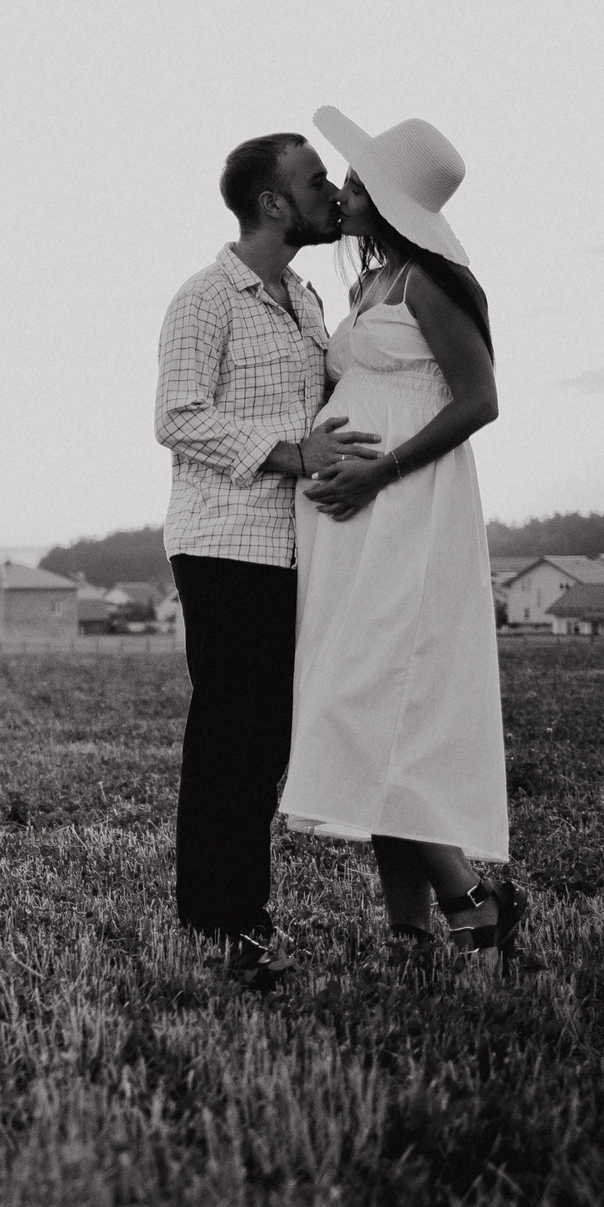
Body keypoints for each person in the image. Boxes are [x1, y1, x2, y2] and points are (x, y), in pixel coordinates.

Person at [281, 109, 528, 970]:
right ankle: (410, 935)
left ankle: (472, 900)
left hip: (409, 518)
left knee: (375, 710)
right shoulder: (368, 288)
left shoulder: (428, 283)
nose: (343, 196)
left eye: (354, 186)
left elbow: (479, 400)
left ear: (387, 201)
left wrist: (378, 474)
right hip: (352, 531)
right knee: (370, 712)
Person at [155, 133, 381, 990]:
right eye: (316, 178)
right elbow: (176, 415)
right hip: (223, 544)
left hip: (294, 547)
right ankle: (232, 919)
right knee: (232, 739)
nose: (331, 191)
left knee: (266, 740)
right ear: (273, 203)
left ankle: (221, 909)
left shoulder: (306, 296)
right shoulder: (205, 296)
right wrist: (290, 452)